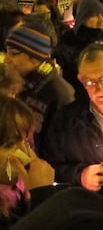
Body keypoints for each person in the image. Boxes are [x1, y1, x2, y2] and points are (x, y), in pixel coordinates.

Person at [44, 41, 103, 191]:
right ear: (81, 80)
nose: (99, 89)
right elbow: (49, 167)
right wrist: (80, 175)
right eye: (90, 81)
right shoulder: (66, 121)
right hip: (90, 207)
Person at [4, 22, 74, 155]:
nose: (7, 59)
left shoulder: (60, 94)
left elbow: (59, 148)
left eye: (13, 54)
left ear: (35, 57)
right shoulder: (18, 84)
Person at [0, 95, 55, 228]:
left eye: (26, 142)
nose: (23, 152)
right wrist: (42, 195)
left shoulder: (23, 185)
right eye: (10, 144)